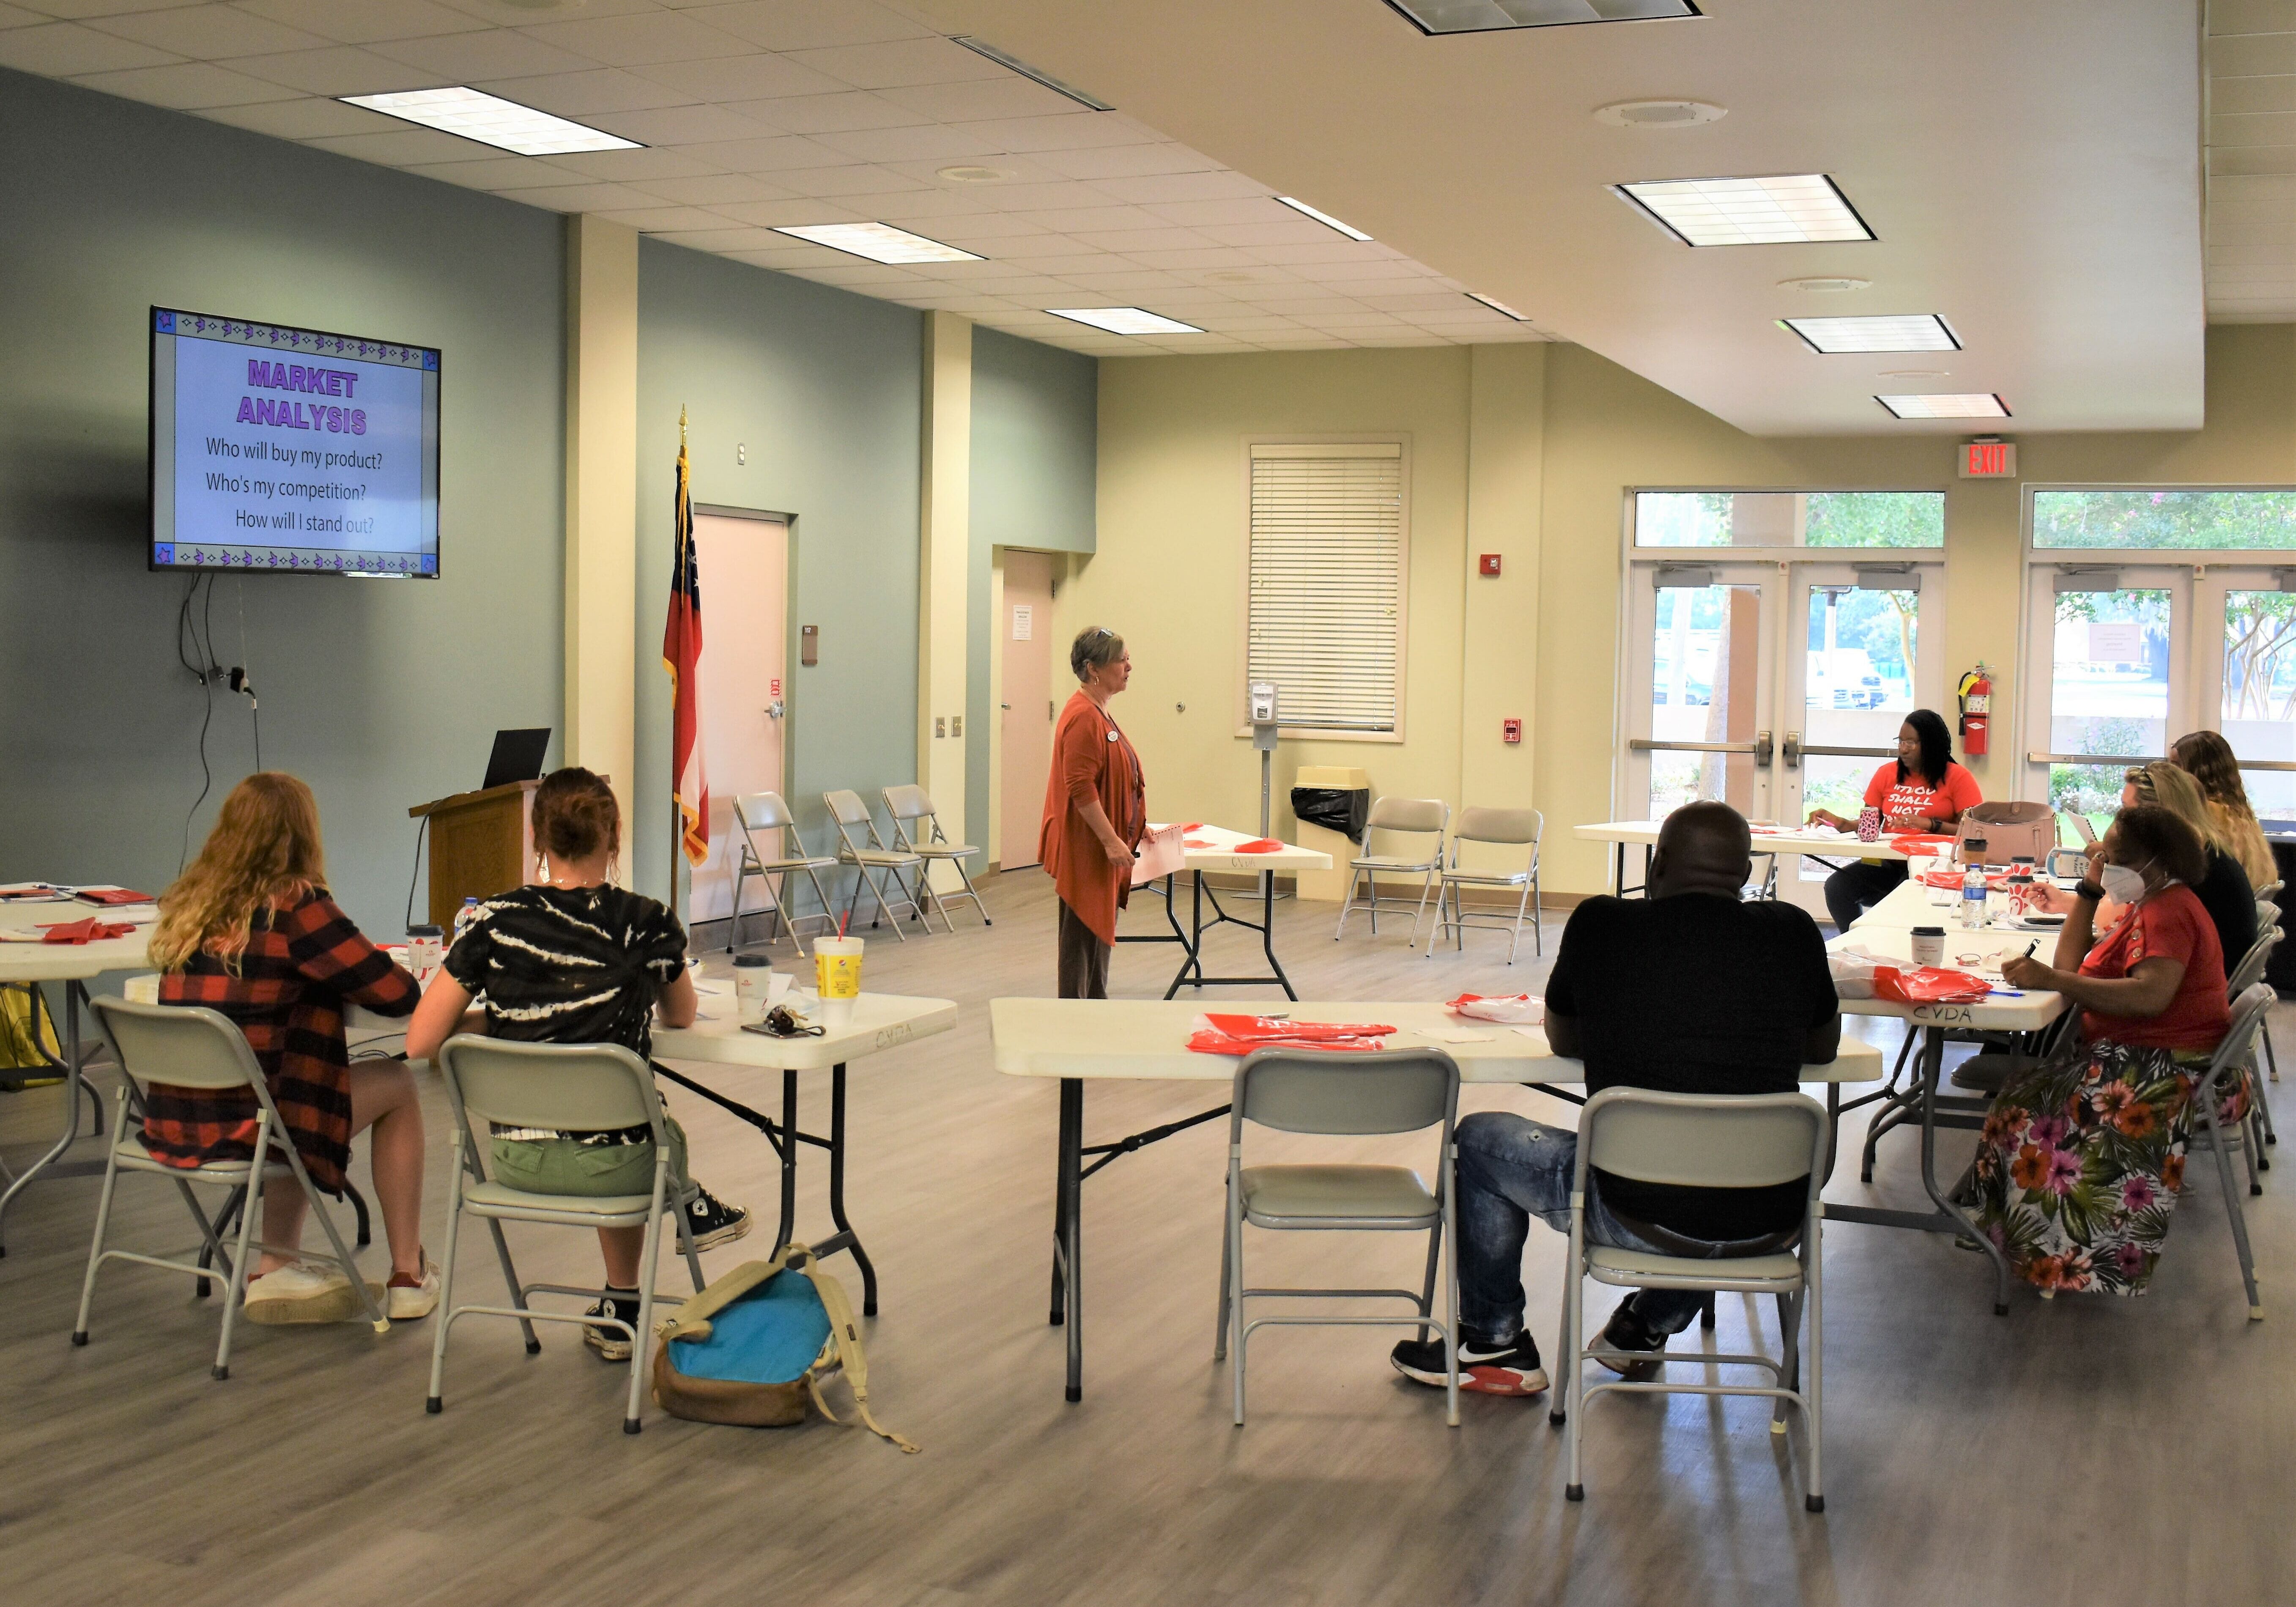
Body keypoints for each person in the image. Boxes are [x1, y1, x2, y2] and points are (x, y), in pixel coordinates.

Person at [1390, 802, 1839, 1397]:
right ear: (1746, 875)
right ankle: (1642, 1327)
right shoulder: (1793, 932)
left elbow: (1564, 1036)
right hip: (1772, 1221)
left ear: (1656, 868)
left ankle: (1492, 1343)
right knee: (1721, 1181)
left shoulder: (1601, 924)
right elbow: (1822, 1048)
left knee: (1477, 1140)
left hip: (1627, 1213)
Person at [405, 767, 752, 1361]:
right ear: (613, 837)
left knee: (618, 1119)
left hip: (515, 1162)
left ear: (537, 838)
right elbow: (682, 1016)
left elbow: (420, 1043)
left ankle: (634, 1281)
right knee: (640, 1125)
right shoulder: (646, 921)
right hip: (623, 1171)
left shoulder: (494, 921)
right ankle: (671, 1225)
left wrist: (506, 1018)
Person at [146, 773, 437, 1324]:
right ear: (303, 836)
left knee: (292, 1075)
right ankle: (408, 1274)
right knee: (392, 1084)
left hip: (175, 1120)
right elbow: (398, 996)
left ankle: (275, 1262)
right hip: (255, 1129)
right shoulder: (297, 908)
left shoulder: (189, 905)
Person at [1980, 805, 2231, 1296]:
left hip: (2163, 1067)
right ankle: (2026, 1244)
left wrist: (2054, 981)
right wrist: (2090, 890)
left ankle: (2052, 1254)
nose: (2101, 858)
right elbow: (2070, 963)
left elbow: (2150, 995)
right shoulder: (2150, 902)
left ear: (2153, 864)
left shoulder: (2170, 910)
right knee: (2019, 1095)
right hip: (2142, 1055)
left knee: (2021, 1112)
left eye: (2113, 857)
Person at [1038, 626, 1145, 999]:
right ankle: (1076, 1019)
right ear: (1094, 669)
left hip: (1102, 848)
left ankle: (1094, 1013)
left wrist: (1136, 827)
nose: (1130, 667)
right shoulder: (1084, 715)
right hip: (1088, 849)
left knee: (1096, 940)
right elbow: (1080, 787)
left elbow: (1116, 778)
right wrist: (1112, 841)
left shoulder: (1098, 712)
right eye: (1122, 660)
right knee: (1081, 942)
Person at [1806, 708, 1981, 932]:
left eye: (1911, 743)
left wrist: (1928, 824)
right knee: (1837, 887)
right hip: (1887, 862)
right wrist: (1839, 823)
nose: (1903, 748)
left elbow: (1971, 832)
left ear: (1931, 744)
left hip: (1932, 867)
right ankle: (1854, 942)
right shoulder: (1887, 773)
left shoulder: (1958, 777)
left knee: (1904, 895)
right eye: (1901, 741)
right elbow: (1869, 824)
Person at [2170, 729, 2277, 890]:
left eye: (2176, 766)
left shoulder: (2206, 813)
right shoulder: (2239, 812)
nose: (2169, 773)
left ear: (2198, 772)